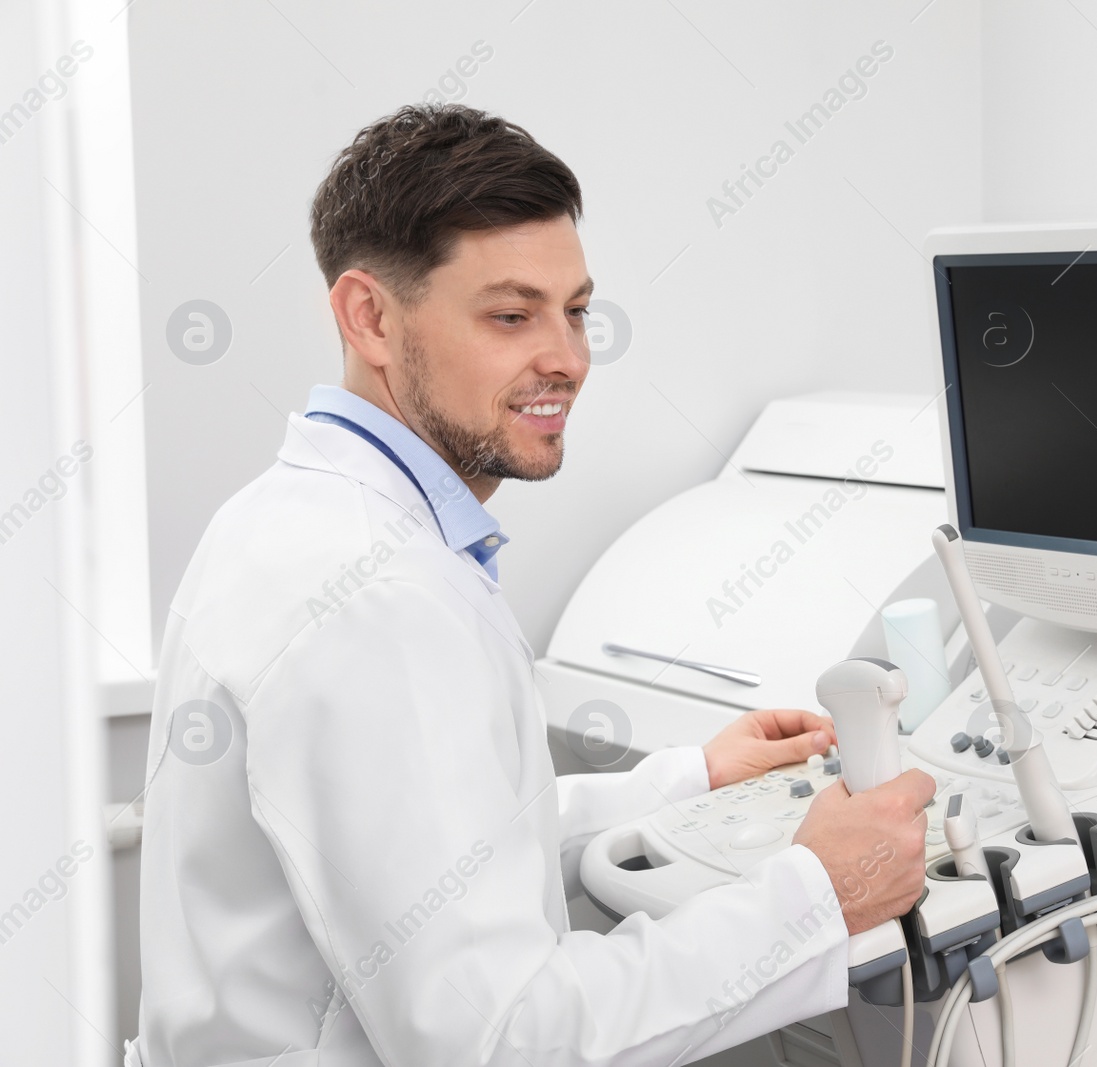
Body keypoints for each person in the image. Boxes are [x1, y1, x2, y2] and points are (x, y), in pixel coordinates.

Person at [130, 104, 935, 1067]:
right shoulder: (375, 597)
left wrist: (686, 781)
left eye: (576, 309)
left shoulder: (298, 518)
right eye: (512, 315)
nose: (568, 357)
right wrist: (818, 896)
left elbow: (444, 861)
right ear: (369, 316)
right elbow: (503, 1039)